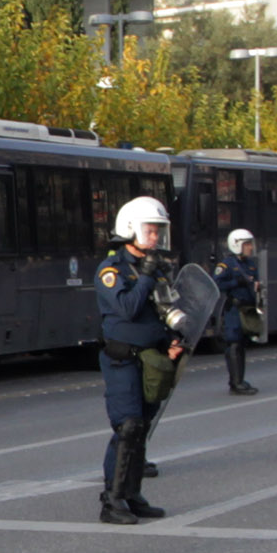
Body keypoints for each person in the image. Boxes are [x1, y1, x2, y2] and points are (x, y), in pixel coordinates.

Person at [95, 195, 189, 522]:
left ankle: (132, 494)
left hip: (150, 358)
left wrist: (171, 338)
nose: (155, 237)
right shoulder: (112, 270)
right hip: (122, 360)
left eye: (158, 231)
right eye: (150, 230)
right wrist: (147, 275)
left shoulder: (156, 269)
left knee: (143, 426)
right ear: (130, 228)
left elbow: (161, 311)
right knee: (128, 425)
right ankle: (112, 500)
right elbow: (128, 308)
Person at [213, 227, 264, 396]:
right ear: (236, 245)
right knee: (234, 343)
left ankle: (240, 379)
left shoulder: (250, 264)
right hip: (234, 309)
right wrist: (236, 283)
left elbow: (255, 282)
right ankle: (236, 383)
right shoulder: (227, 264)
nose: (250, 247)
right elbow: (216, 284)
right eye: (247, 244)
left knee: (242, 344)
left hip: (247, 309)